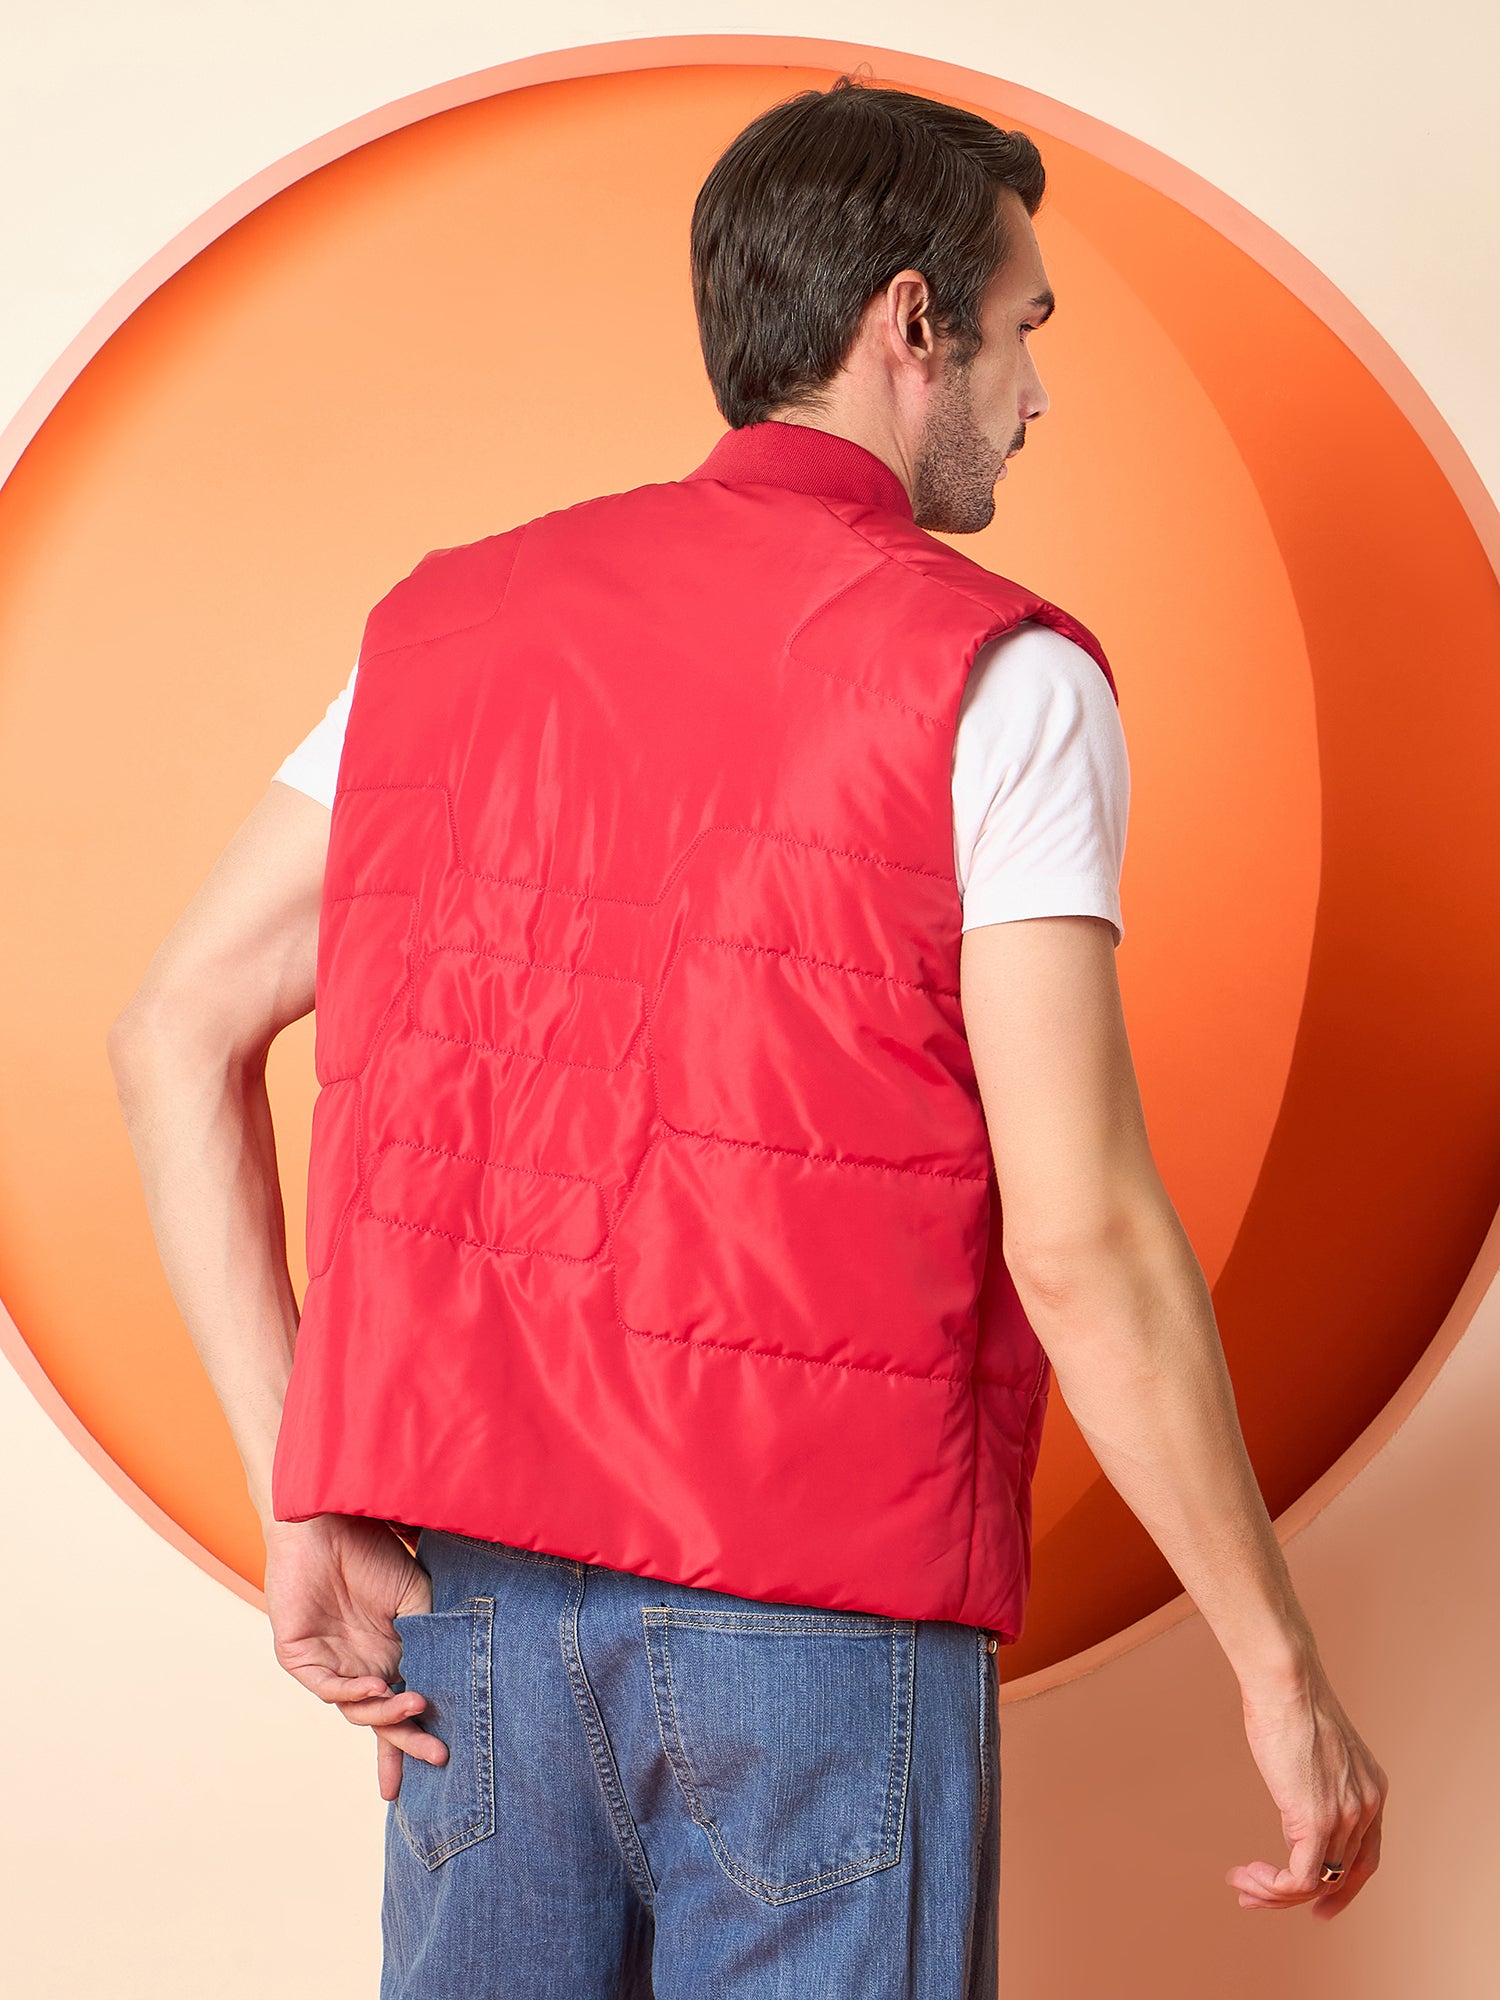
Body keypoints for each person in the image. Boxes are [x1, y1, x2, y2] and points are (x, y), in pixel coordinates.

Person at [108, 74, 1386, 1997]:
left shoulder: (443, 627)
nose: (1038, 393)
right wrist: (1279, 1671)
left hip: (472, 1614)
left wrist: (305, 1483)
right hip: (822, 1629)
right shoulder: (999, 674)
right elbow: (1083, 1238)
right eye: (1025, 328)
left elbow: (170, 1027)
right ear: (912, 322)